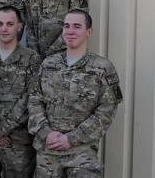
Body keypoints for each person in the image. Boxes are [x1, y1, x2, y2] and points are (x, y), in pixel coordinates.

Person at [28, 10, 123, 177]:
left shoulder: (102, 67)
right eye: (66, 26)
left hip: (82, 153)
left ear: (89, 31)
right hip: (47, 151)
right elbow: (34, 101)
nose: (70, 31)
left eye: (77, 26)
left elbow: (106, 112)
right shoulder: (49, 64)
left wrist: (71, 138)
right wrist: (46, 133)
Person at [0, 6, 41, 178]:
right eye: (0, 24)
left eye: (10, 24)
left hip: (17, 143)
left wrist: (2, 129)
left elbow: (32, 98)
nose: (4, 28)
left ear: (19, 27)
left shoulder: (31, 59)